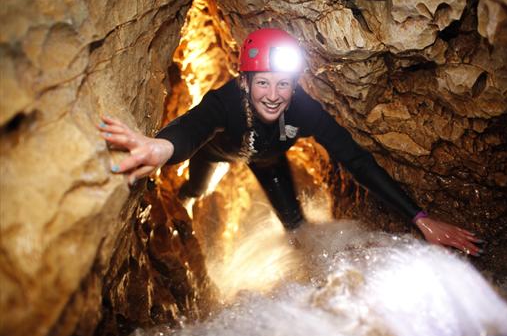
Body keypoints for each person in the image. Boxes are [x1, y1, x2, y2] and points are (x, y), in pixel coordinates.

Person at [98, 28, 484, 256]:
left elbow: (356, 160)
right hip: (212, 154)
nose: (273, 94)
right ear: (245, 82)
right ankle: (186, 202)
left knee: (296, 227)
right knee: (195, 188)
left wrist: (421, 218)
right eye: (262, 82)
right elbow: (192, 127)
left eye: (283, 83)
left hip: (266, 162)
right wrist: (161, 148)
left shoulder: (303, 110)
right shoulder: (226, 101)